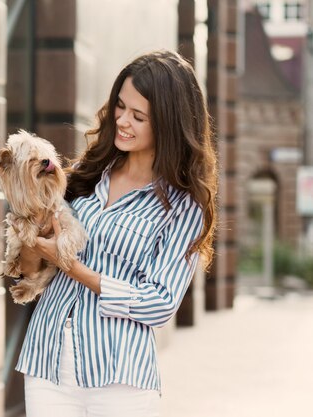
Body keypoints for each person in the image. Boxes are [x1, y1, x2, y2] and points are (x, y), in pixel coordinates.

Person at [15, 49, 217, 417]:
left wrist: (72, 266)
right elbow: (29, 271)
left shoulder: (184, 206)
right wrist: (33, 239)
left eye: (138, 116)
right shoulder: (87, 176)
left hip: (118, 376)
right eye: (120, 107)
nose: (122, 121)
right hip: (47, 361)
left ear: (169, 124)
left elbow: (160, 303)